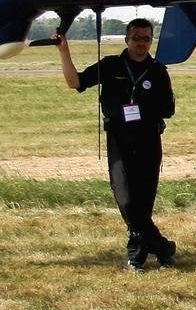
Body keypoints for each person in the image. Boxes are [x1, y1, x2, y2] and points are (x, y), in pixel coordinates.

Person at [56, 17, 177, 271]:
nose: (141, 43)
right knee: (125, 200)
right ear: (127, 39)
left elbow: (168, 110)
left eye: (146, 38)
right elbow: (74, 82)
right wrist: (63, 51)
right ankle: (162, 246)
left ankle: (137, 256)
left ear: (150, 41)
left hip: (148, 140)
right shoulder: (111, 65)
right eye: (136, 38)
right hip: (119, 140)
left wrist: (144, 105)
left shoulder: (157, 71)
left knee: (143, 203)